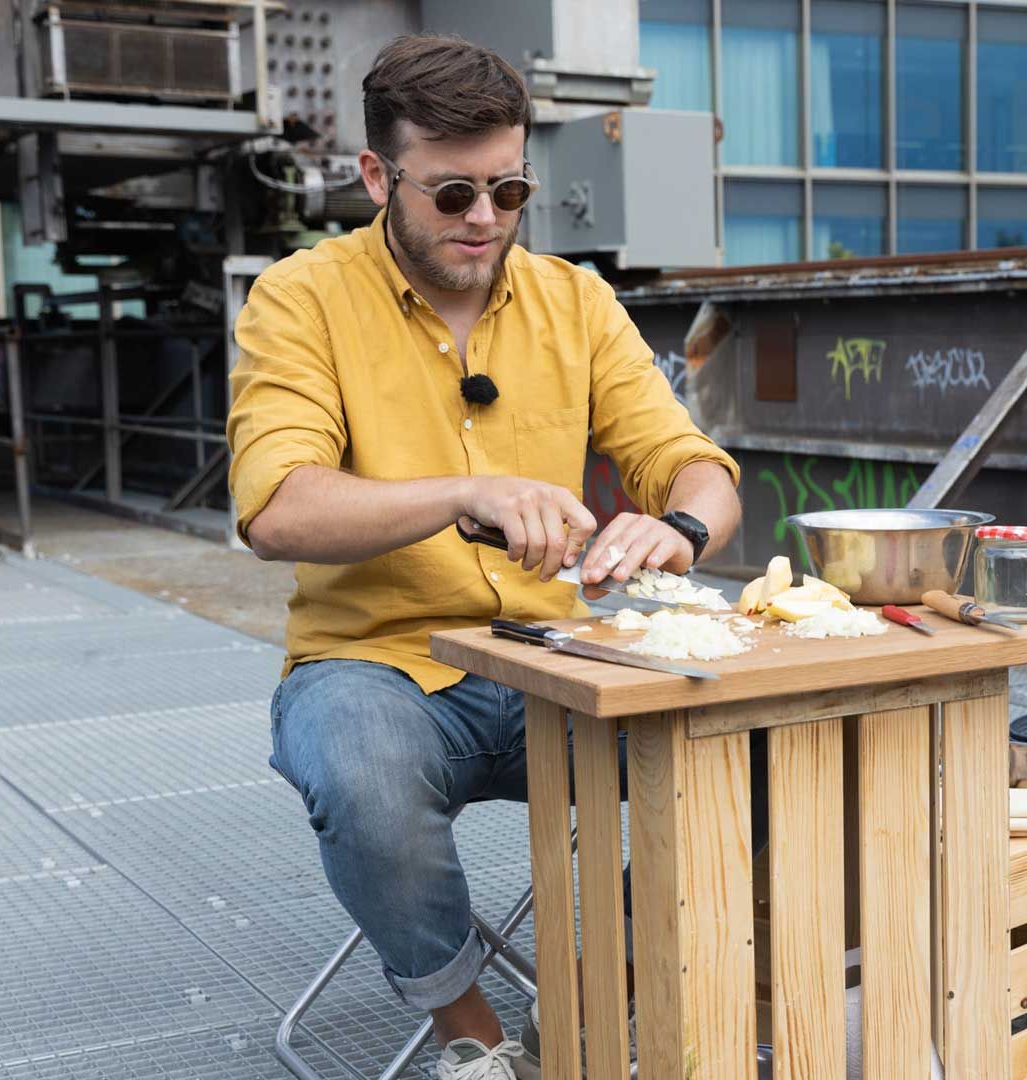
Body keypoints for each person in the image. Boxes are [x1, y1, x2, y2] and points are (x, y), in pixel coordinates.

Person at [226, 34, 741, 1080]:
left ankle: (605, 1001)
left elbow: (695, 466)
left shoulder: (575, 299)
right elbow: (275, 508)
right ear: (378, 177)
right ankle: (479, 1043)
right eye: (453, 193)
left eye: (509, 191)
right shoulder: (302, 296)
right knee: (361, 773)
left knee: (781, 740)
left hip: (568, 655)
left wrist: (679, 527)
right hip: (383, 662)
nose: (486, 221)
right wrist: (465, 491)